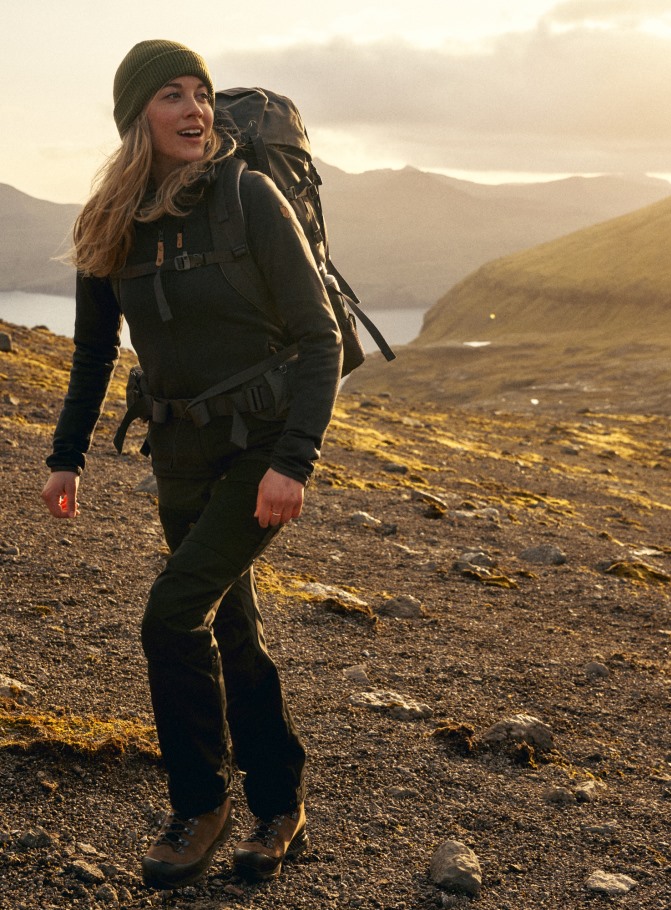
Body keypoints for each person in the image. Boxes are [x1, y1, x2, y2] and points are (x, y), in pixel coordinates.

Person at [41, 40, 342, 889]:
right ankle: (280, 804)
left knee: (171, 614)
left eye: (203, 94)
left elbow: (319, 338)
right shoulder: (110, 218)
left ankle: (200, 804)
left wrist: (296, 462)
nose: (195, 109)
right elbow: (95, 351)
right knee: (230, 624)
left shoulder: (249, 195)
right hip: (178, 450)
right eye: (172, 94)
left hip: (259, 448)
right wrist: (67, 456)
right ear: (136, 113)